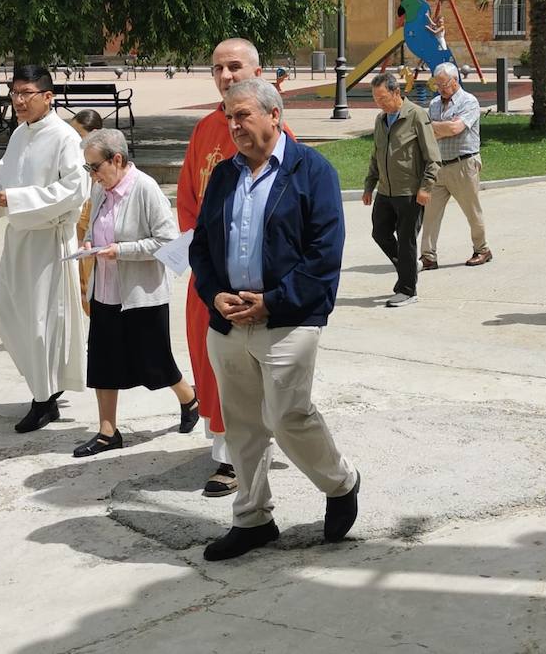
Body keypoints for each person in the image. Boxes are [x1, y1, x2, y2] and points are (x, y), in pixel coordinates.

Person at [189, 78, 360, 561]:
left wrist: (270, 302)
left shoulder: (313, 172)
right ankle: (253, 518)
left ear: (274, 116)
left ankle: (340, 482)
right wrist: (215, 294)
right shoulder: (224, 175)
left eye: (243, 115)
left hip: (289, 319)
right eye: (229, 116)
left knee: (287, 417)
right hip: (228, 323)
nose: (235, 125)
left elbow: (324, 256)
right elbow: (201, 247)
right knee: (241, 426)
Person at [177, 38, 291, 496]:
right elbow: (188, 198)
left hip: (255, 281)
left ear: (257, 72)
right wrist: (203, 262)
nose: (225, 76)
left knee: (250, 371)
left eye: (235, 67)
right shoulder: (205, 128)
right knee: (211, 365)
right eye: (217, 69)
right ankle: (221, 449)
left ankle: (238, 459)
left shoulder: (274, 131)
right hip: (209, 281)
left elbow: (285, 212)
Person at [0, 65, 88, 432]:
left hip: (48, 241)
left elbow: (75, 190)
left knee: (41, 324)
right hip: (19, 239)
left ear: (48, 96)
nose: (18, 101)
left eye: (26, 93)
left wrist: (17, 198)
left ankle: (44, 400)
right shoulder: (19, 135)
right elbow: (2, 178)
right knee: (8, 318)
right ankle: (44, 389)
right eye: (14, 94)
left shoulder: (65, 138)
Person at [73, 129, 200, 456]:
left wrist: (121, 250)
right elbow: (92, 226)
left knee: (154, 361)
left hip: (141, 293)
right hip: (106, 289)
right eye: (88, 169)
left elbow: (166, 240)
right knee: (102, 360)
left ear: (117, 159)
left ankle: (189, 398)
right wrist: (89, 243)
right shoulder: (101, 187)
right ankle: (107, 431)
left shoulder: (145, 189)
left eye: (95, 167)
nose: (92, 175)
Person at [362, 72, 440, 307]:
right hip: (386, 191)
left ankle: (408, 290)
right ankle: (408, 267)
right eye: (376, 98)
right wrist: (369, 185)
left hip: (410, 192)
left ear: (397, 93)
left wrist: (425, 188)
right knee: (380, 233)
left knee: (407, 241)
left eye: (383, 97)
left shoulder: (416, 115)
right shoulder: (380, 119)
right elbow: (376, 154)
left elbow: (433, 158)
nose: (379, 103)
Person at [420, 62, 492, 270]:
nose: (440, 88)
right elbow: (428, 132)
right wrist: (441, 128)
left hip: (463, 164)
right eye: (437, 84)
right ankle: (428, 256)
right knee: (430, 214)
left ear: (455, 80)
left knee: (472, 211)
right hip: (438, 166)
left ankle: (482, 249)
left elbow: (455, 128)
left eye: (443, 84)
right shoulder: (434, 104)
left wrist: (437, 127)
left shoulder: (469, 102)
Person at [70, 109, 106, 316]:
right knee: (82, 275)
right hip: (81, 217)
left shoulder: (103, 162)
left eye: (79, 134)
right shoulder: (74, 153)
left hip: (95, 217)